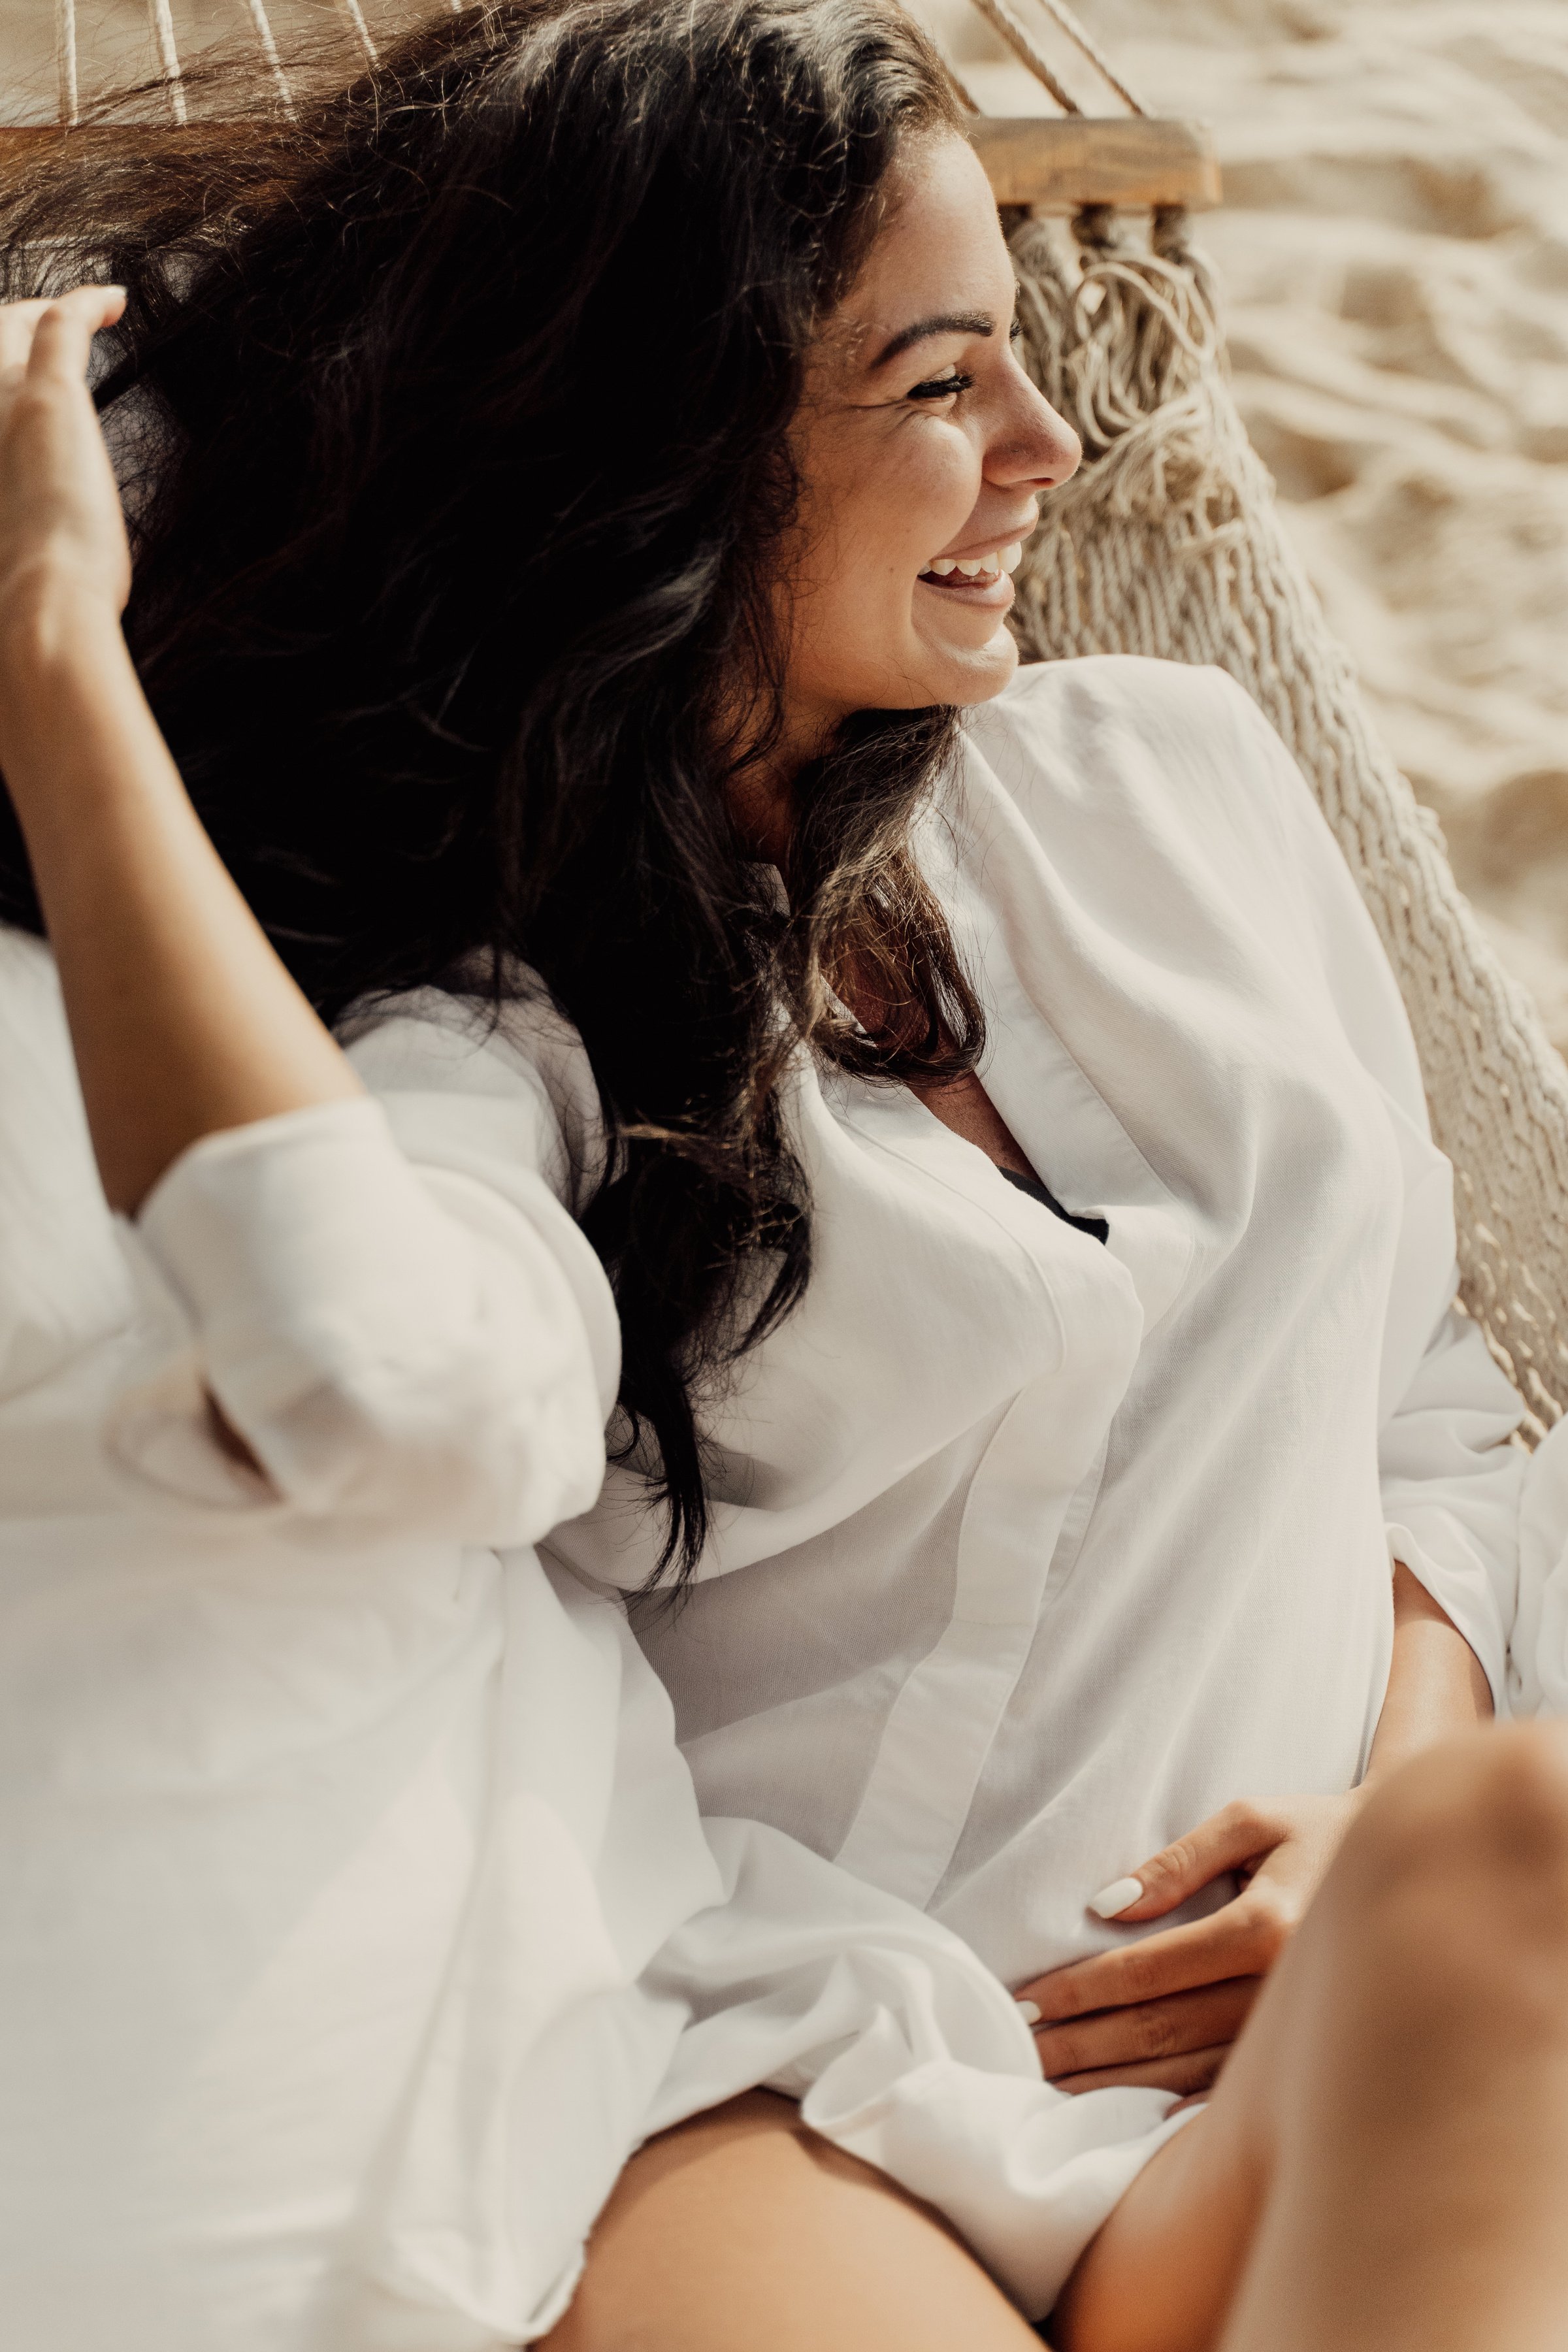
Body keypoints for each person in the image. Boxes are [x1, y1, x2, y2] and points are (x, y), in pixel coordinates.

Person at [5, 7, 1568, 2351]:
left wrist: (1375, 1811)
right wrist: (55, 665)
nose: (1054, 451)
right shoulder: (502, 1035)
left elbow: (1433, 1388)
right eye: (943, 389)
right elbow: (346, 1358)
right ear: (665, 465)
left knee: (1512, 1853)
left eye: (1026, 360)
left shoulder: (1177, 776)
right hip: (788, 2091)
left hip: (1293, 2049)